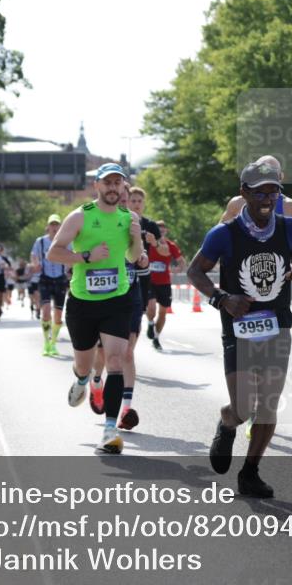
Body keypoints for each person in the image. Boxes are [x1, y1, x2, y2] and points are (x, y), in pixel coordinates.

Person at [188, 161, 292, 498]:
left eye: (274, 191)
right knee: (242, 407)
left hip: (277, 327)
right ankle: (227, 423)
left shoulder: (291, 229)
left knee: (269, 404)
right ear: (244, 193)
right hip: (238, 329)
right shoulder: (224, 234)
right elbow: (195, 271)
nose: (268, 198)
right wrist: (221, 299)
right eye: (260, 191)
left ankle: (250, 473)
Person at [46, 163, 143, 454]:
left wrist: (137, 238)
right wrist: (86, 256)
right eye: (107, 182)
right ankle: (80, 379)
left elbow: (134, 256)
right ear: (97, 186)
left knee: (115, 361)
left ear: (123, 187)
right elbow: (54, 252)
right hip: (82, 302)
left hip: (117, 299)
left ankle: (110, 431)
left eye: (118, 183)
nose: (113, 187)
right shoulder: (80, 217)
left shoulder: (129, 218)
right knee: (85, 364)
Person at [90, 180, 150, 431]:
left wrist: (143, 259)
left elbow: (141, 257)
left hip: (130, 293)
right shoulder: (97, 218)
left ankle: (125, 408)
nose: (126, 203)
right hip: (103, 293)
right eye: (123, 199)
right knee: (103, 353)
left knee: (126, 353)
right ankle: (95, 381)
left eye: (129, 199)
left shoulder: (133, 221)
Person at [220, 155, 292, 251]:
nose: (268, 177)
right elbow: (218, 237)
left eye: (273, 173)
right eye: (263, 173)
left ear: (281, 177)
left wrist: (289, 240)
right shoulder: (237, 203)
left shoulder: (290, 206)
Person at [124, 186, 164, 342]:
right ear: (127, 202)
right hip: (124, 272)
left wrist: (155, 243)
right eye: (133, 200)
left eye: (139, 201)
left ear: (144, 203)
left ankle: (147, 325)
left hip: (144, 273)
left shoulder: (151, 225)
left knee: (144, 310)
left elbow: (164, 250)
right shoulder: (122, 222)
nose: (136, 204)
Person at [32, 214, 70, 357]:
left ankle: (53, 343)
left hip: (60, 279)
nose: (54, 227)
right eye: (52, 225)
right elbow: (34, 255)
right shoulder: (40, 242)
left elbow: (72, 255)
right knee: (46, 311)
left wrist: (70, 266)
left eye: (57, 225)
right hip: (45, 279)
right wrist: (35, 263)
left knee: (58, 315)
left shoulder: (65, 241)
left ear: (60, 226)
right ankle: (46, 342)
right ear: (48, 226)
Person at [146, 220, 187, 351]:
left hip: (164, 283)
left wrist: (178, 269)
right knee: (151, 307)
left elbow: (181, 262)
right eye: (159, 228)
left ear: (166, 231)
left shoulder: (171, 246)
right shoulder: (149, 245)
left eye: (163, 228)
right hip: (149, 281)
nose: (161, 230)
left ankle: (156, 338)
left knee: (163, 313)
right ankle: (150, 323)